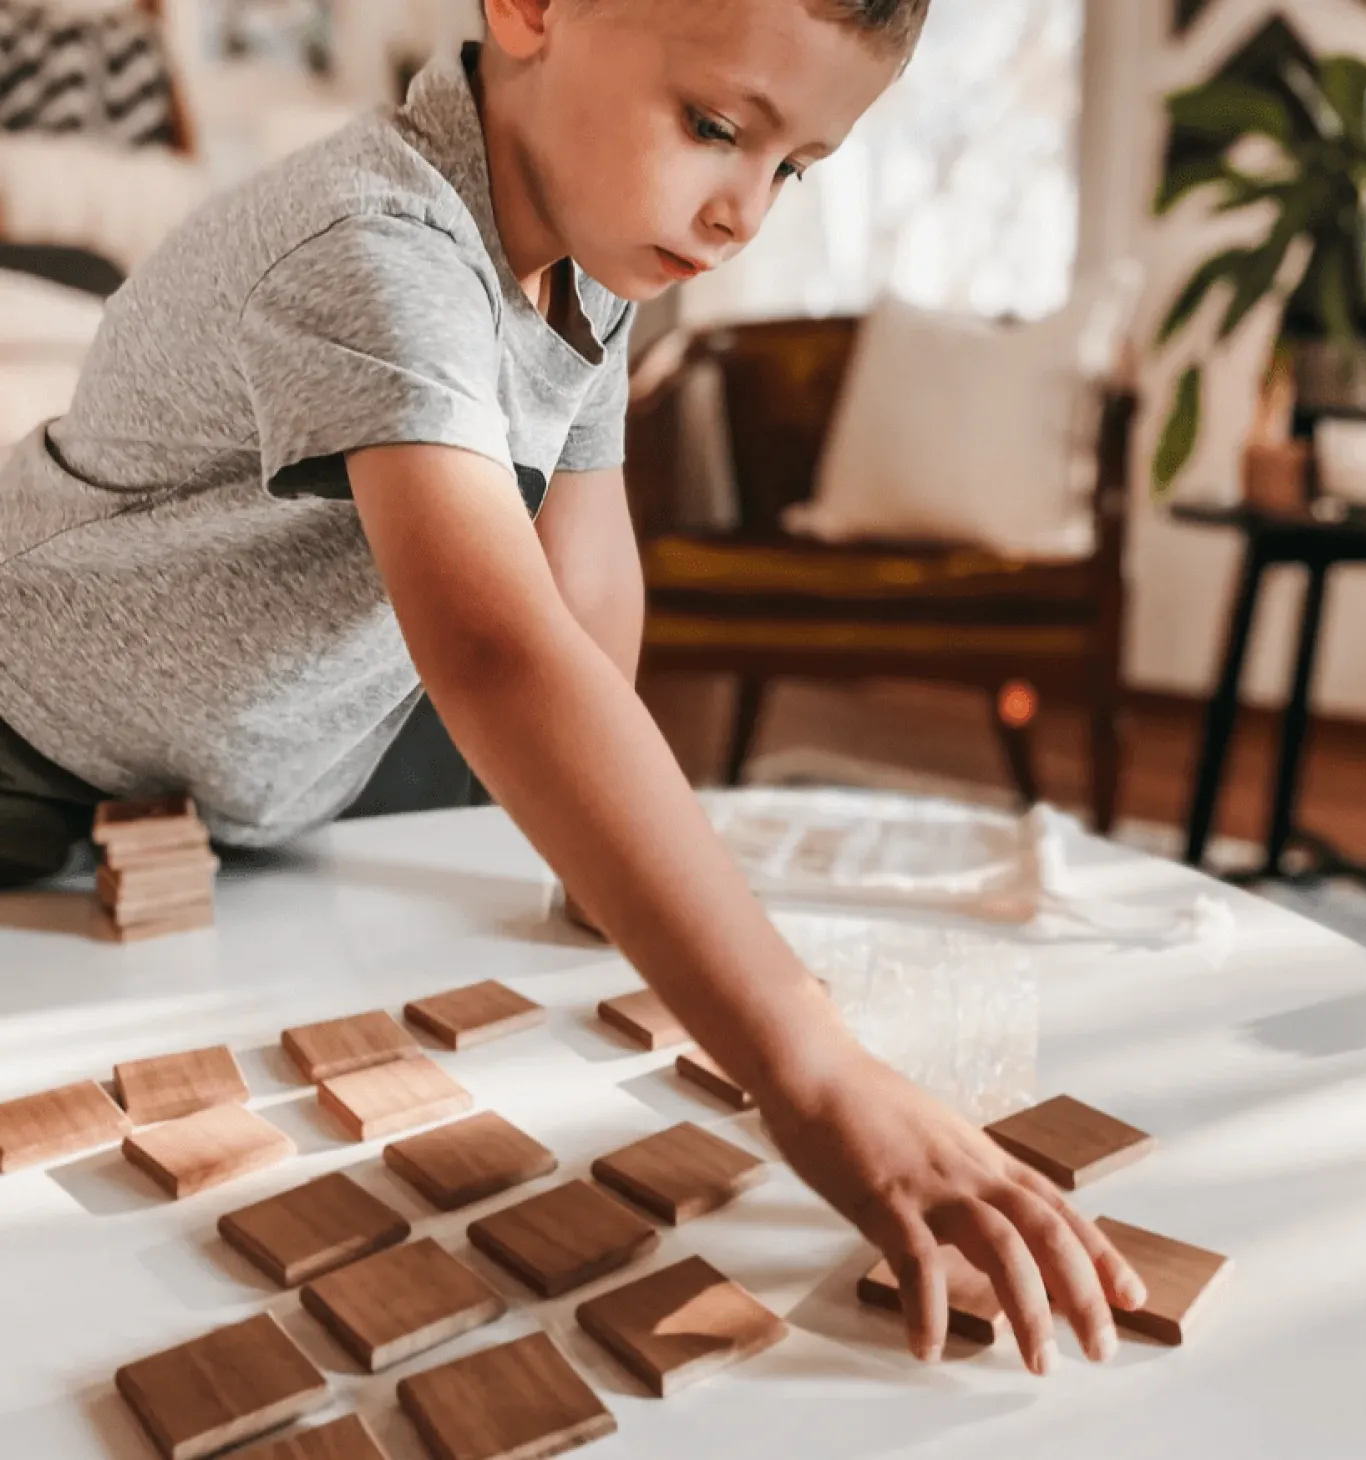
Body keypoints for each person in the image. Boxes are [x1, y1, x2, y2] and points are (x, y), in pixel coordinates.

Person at [0, 0, 1146, 1370]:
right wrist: (812, 1067)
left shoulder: (588, 264)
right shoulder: (372, 241)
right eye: (714, 126)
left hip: (245, 765)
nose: (743, 213)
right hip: (25, 715)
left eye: (792, 168)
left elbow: (584, 571)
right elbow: (500, 652)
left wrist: (606, 877)